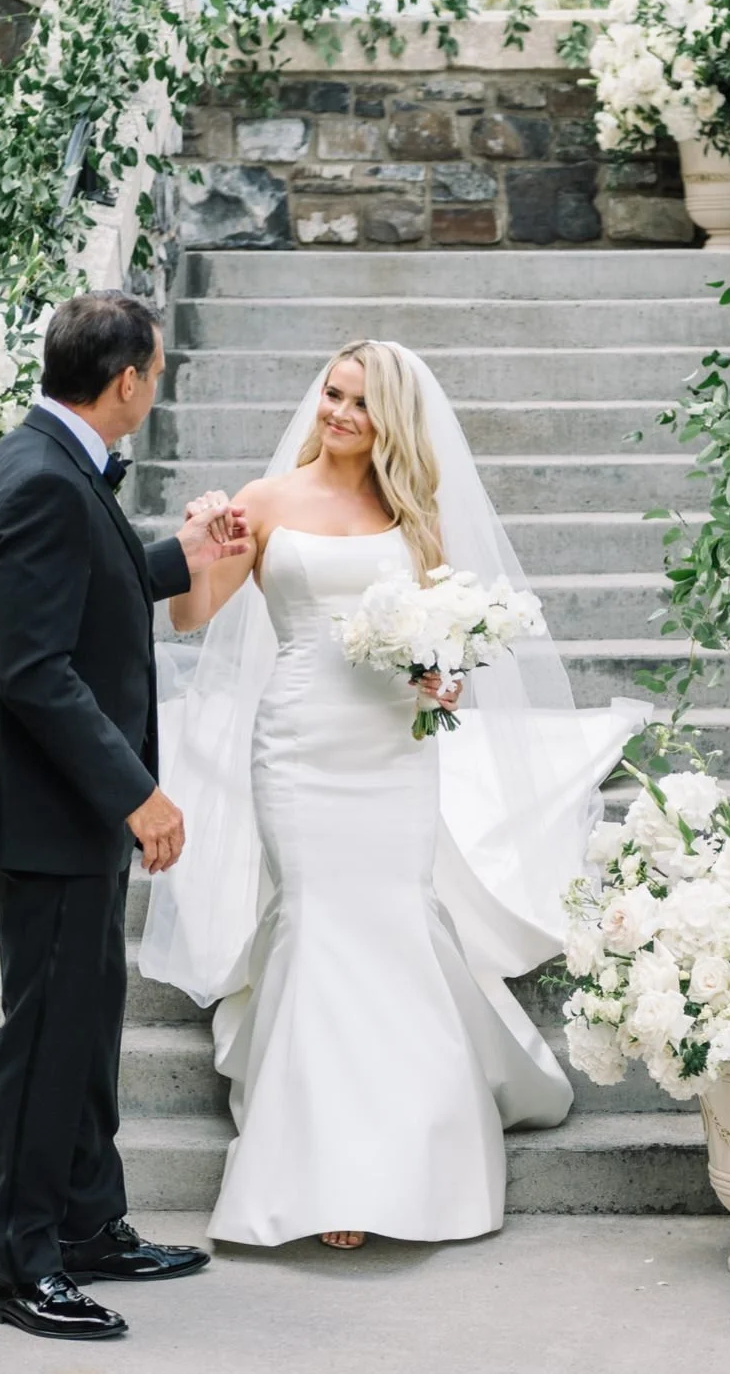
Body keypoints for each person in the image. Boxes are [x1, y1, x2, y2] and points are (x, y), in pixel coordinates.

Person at [142, 339, 643, 1251]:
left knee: (394, 921)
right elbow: (188, 615)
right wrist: (206, 545)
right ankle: (325, 1169)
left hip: (393, 750)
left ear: (391, 421)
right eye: (331, 393)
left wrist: (441, 679)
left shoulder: (414, 517)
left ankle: (408, 1148)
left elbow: (443, 639)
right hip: (299, 744)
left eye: (358, 403)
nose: (336, 412)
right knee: (317, 919)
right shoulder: (265, 501)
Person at [0, 288, 250, 1342]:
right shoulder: (41, 480)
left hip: (63, 813)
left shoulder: (44, 459)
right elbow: (33, 669)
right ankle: (20, 1264)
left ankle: (86, 1221)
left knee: (86, 1024)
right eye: (156, 372)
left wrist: (188, 550)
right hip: (56, 812)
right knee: (47, 1039)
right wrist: (137, 789)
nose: (154, 387)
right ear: (127, 381)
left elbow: (95, 589)